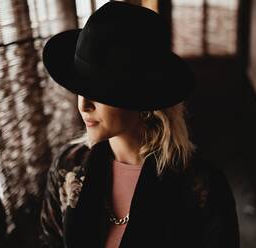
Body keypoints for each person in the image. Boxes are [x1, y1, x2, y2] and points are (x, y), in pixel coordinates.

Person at [39, 1, 239, 248]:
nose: (83, 105)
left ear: (141, 97)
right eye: (80, 89)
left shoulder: (201, 185)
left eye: (98, 91)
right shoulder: (68, 167)